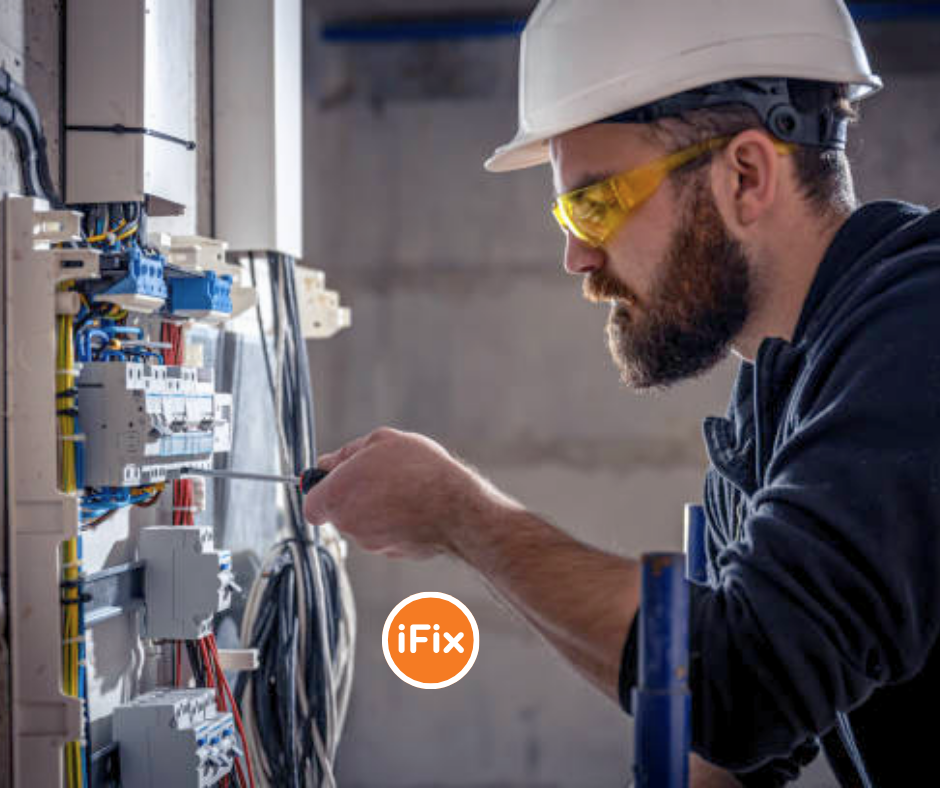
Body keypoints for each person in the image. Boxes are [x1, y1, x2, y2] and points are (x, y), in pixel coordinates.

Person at [303, 1, 940, 785]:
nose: (577, 256)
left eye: (596, 204)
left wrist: (463, 516)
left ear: (746, 175)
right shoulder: (782, 393)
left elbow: (746, 681)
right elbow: (735, 743)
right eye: (567, 213)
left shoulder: (922, 329)